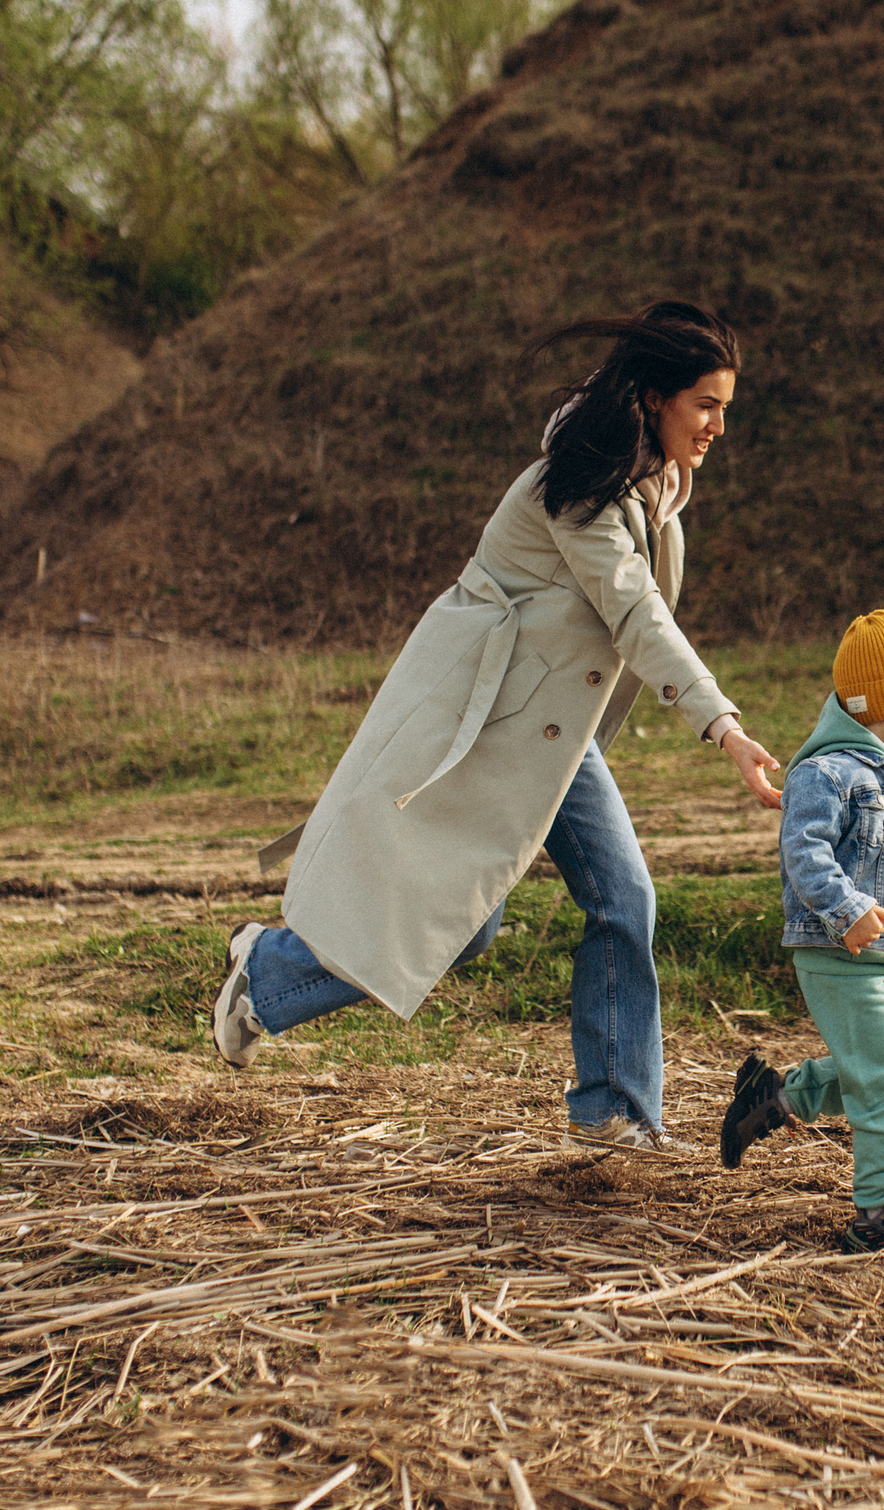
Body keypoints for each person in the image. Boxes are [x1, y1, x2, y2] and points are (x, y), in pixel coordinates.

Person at [211, 301, 786, 1151]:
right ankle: (265, 974)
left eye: (725, 407)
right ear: (657, 397)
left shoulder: (652, 479)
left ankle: (614, 1110)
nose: (718, 426)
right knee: (464, 924)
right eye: (707, 404)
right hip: (488, 720)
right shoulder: (583, 485)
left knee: (622, 898)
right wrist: (722, 726)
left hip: (554, 729)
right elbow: (636, 614)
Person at [718, 611, 884, 1258]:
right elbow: (803, 853)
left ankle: (776, 1096)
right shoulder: (827, 773)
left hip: (874, 954)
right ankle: (880, 1212)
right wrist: (845, 908)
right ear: (877, 709)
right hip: (834, 951)